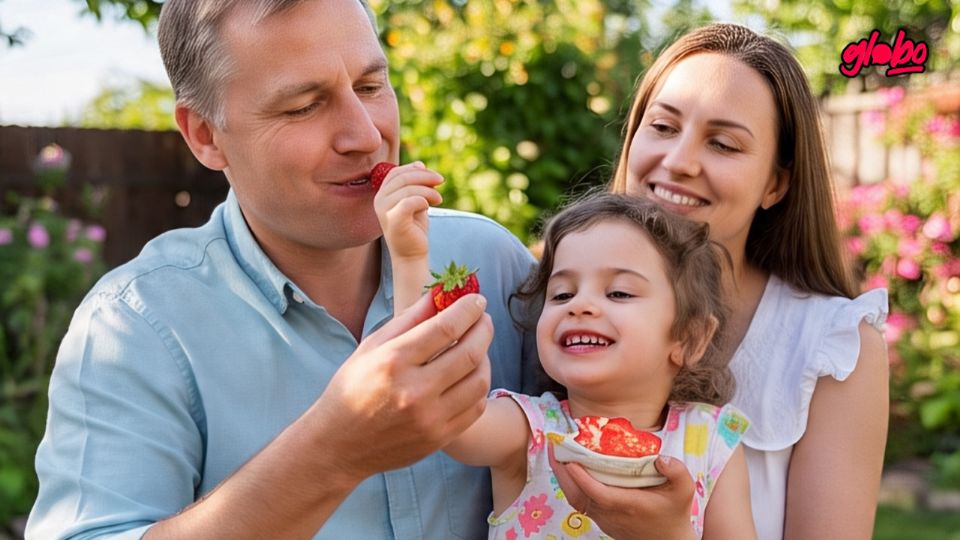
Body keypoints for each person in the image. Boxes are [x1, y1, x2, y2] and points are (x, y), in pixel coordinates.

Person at [26, 1, 538, 538]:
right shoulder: (135, 327)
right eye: (303, 107)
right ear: (205, 134)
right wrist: (333, 453)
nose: (365, 135)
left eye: (370, 87)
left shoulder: (493, 261)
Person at [550, 23, 889, 539]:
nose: (679, 162)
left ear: (776, 183)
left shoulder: (832, 349)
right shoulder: (560, 302)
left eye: (723, 144)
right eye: (663, 127)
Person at [377, 183, 757, 538]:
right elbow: (440, 407)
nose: (581, 306)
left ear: (690, 338)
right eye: (561, 294)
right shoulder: (530, 430)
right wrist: (411, 261)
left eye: (620, 293)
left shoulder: (711, 440)